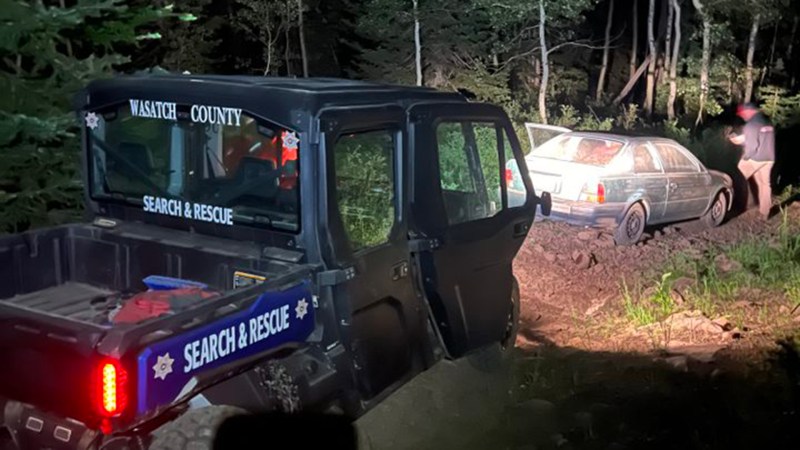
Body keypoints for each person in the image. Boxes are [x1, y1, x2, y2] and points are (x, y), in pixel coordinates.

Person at [728, 102, 776, 220]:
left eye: (743, 114)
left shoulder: (750, 125)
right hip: (769, 158)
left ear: (749, 111)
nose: (742, 116)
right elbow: (760, 138)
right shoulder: (767, 122)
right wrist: (745, 140)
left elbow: (753, 146)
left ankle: (735, 207)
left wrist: (746, 157)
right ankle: (764, 213)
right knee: (765, 184)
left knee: (735, 179)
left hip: (756, 158)